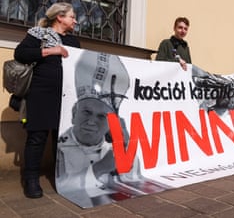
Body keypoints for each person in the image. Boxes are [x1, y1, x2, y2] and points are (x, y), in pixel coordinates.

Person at [56, 51, 165, 208]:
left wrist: (126, 154)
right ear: (74, 114)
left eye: (101, 116)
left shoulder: (115, 147)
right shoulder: (61, 147)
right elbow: (64, 186)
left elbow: (135, 181)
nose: (92, 122)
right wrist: (99, 168)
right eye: (86, 112)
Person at [14, 2, 80, 198]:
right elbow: (21, 54)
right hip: (41, 94)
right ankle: (31, 179)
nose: (75, 21)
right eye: (72, 17)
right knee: (37, 137)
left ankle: (62, 176)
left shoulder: (74, 42)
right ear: (59, 17)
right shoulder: (38, 34)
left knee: (62, 138)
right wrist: (51, 51)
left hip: (66, 96)